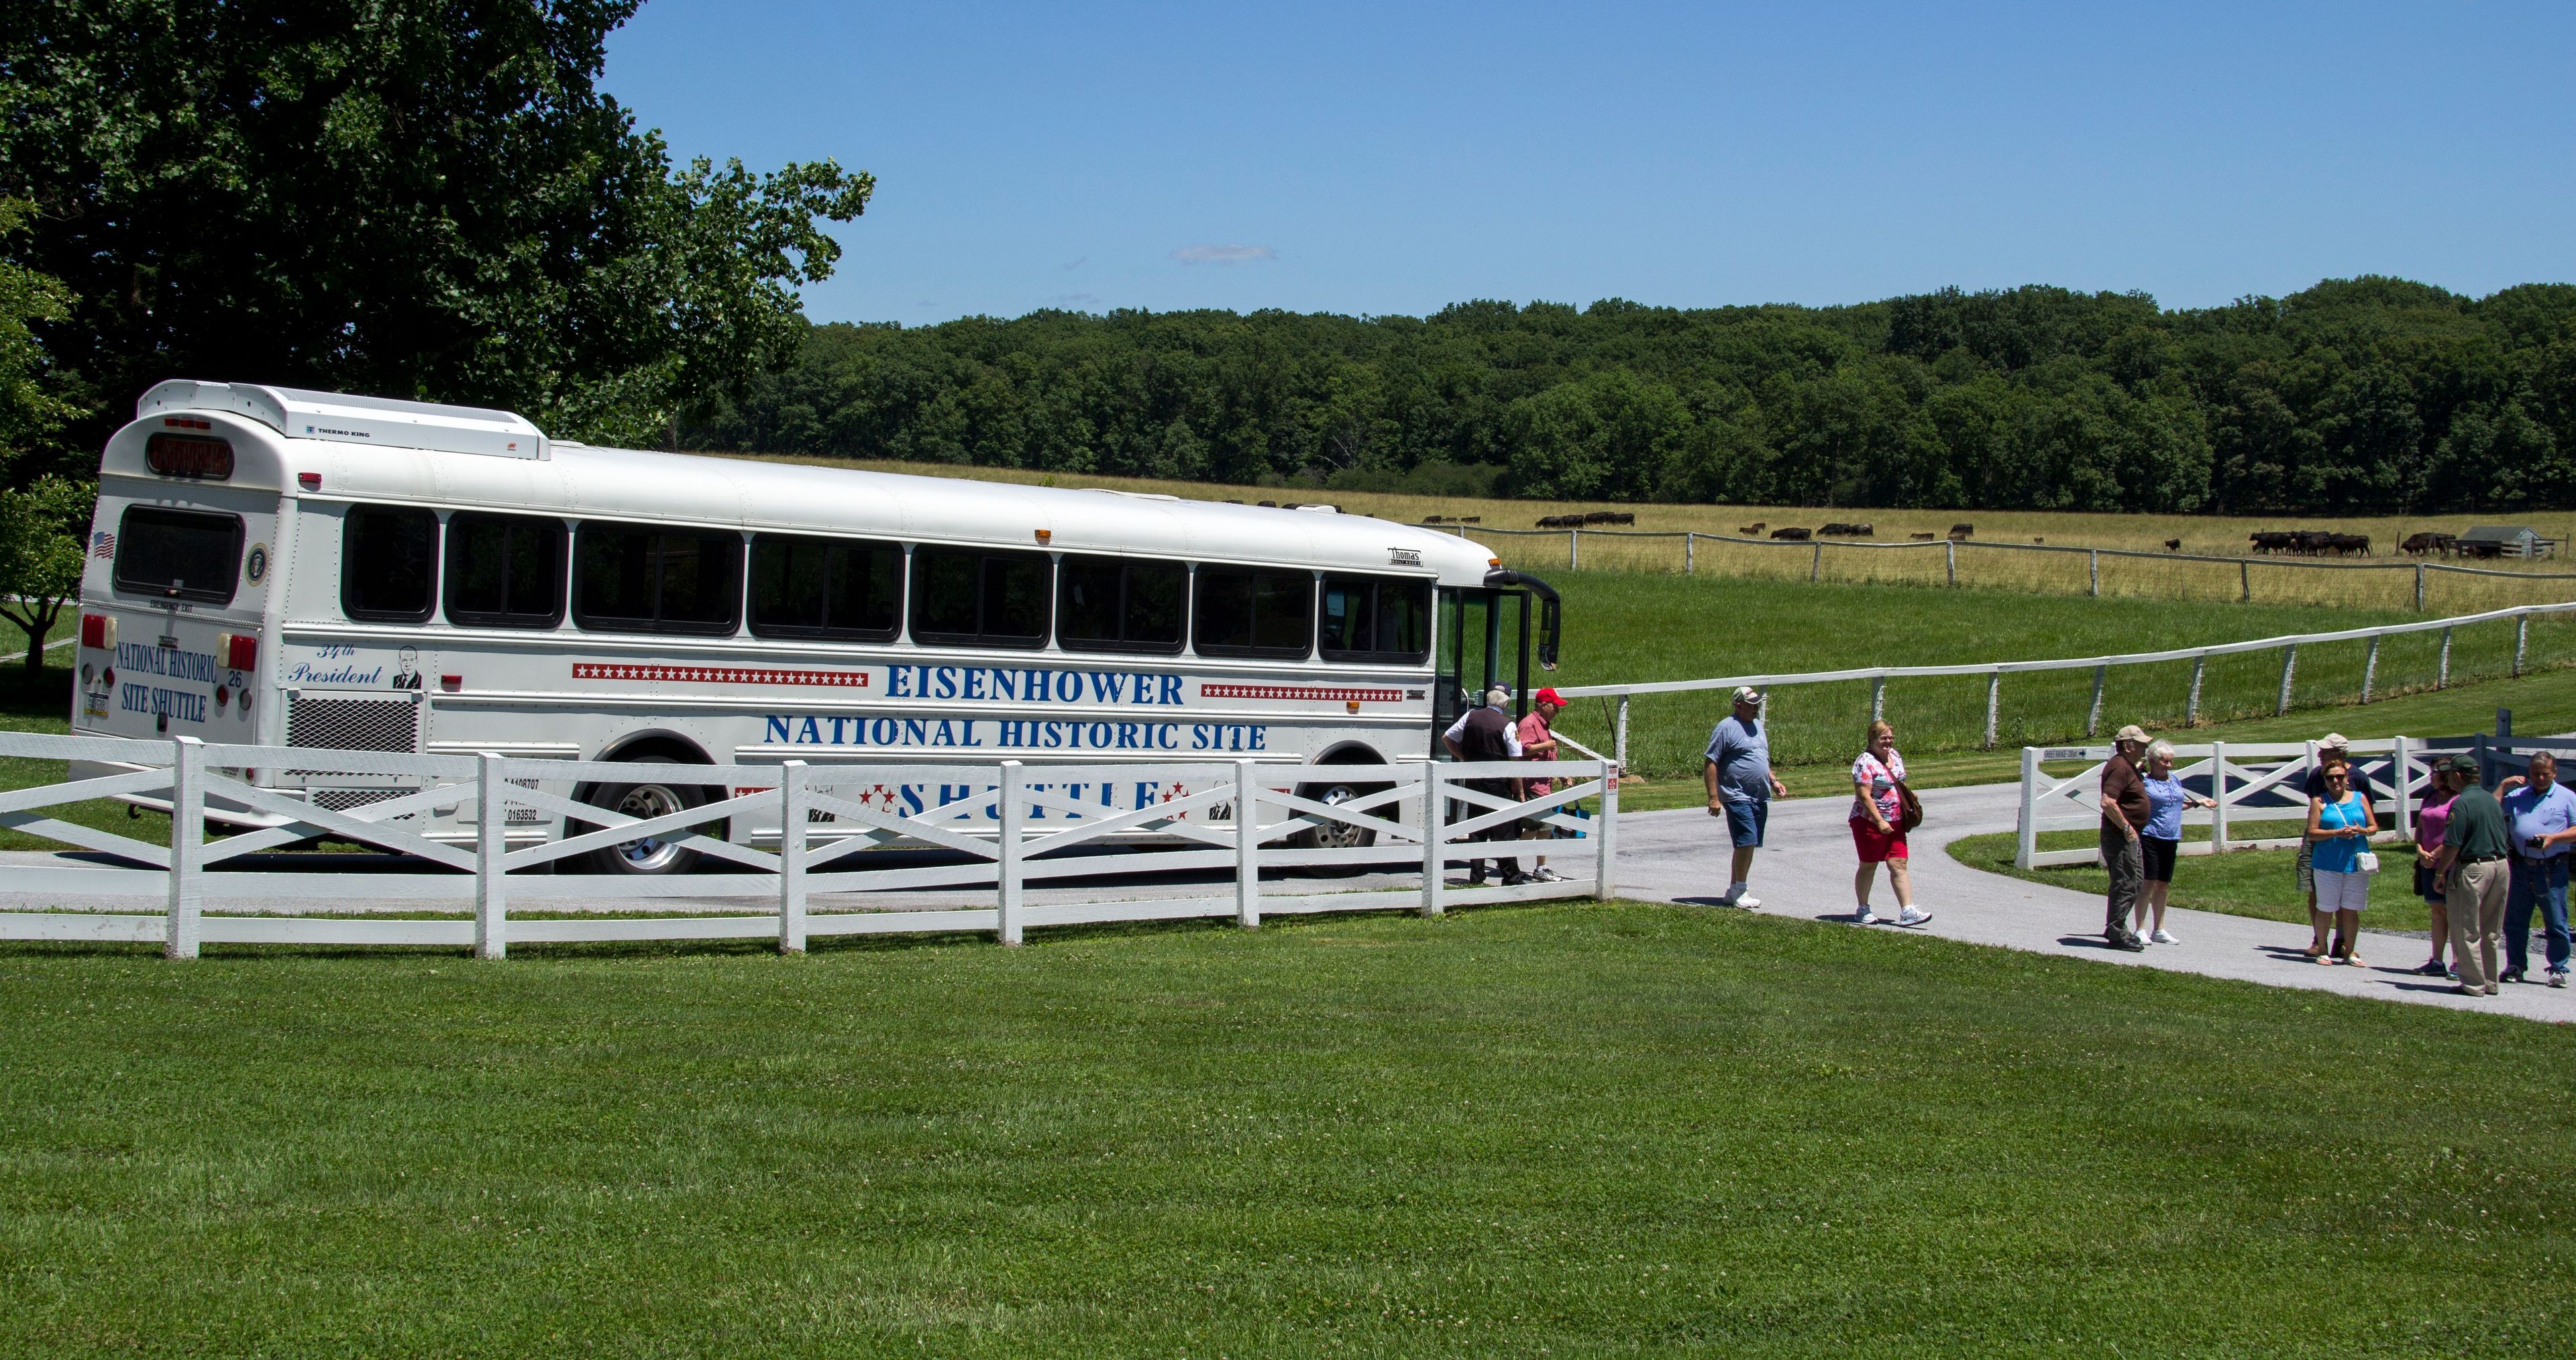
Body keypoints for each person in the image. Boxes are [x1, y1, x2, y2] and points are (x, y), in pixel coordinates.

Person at [2432, 753, 2511, 996]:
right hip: (2500, 866)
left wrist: (2440, 873)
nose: (2446, 778)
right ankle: (2489, 982)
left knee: (2466, 928)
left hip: (2474, 868)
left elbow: (2453, 844)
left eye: (2449, 774)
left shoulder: (2461, 803)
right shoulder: (2490, 799)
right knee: (2490, 930)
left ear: (2457, 776)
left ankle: (2473, 984)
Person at [1704, 686, 1788, 908]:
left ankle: (1734, 890)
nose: (1756, 708)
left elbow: (1761, 757)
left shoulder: (1758, 726)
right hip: (1736, 794)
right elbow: (1711, 762)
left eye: (1757, 704)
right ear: (1738, 705)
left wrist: (1773, 780)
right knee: (1746, 841)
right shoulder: (1726, 728)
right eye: (1751, 705)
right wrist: (1714, 797)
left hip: (1760, 795)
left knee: (1749, 844)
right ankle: (1740, 889)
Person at [2500, 750, 2576, 987]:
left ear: (2554, 773)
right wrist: (2502, 787)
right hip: (2521, 866)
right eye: (2535, 774)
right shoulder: (2518, 795)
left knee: (2556, 920)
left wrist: (2554, 839)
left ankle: (2558, 968)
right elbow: (2491, 811)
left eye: (2544, 774)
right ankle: (2515, 965)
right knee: (2515, 920)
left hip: (2552, 867)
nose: (2540, 778)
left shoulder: (2567, 797)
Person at [2297, 733, 2378, 948]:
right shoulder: (2317, 774)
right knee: (2316, 889)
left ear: (2340, 754)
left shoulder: (2359, 777)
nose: (2321, 754)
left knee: (2346, 895)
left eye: (2326, 751)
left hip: (2350, 845)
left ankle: (2342, 940)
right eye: (2321, 750)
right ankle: (2318, 939)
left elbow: (2368, 812)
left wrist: (2360, 830)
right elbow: (2315, 806)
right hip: (2318, 839)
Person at [2133, 740, 2215, 945]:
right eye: (2164, 761)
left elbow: (2176, 805)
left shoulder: (2174, 780)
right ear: (2152, 761)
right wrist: (2137, 769)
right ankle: (2140, 928)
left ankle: (2159, 929)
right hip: (2150, 836)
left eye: (2171, 761)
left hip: (2171, 837)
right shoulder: (2145, 782)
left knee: (2163, 885)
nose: (2169, 765)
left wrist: (2198, 803)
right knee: (2148, 883)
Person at [1442, 686, 1527, 886]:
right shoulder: (1508, 725)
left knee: (1477, 831)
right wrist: (1520, 790)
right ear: (1505, 704)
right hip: (1498, 785)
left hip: (1474, 782)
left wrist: (1464, 758)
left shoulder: (1470, 717)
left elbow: (1447, 738)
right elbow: (1516, 760)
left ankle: (1477, 877)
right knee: (1503, 832)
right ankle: (1511, 877)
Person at [1849, 719, 1931, 927]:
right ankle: (1863, 909)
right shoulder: (1865, 762)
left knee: (1899, 863)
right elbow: (1863, 795)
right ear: (1872, 739)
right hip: (1869, 821)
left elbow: (1899, 782)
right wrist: (1879, 821)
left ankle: (1908, 911)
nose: (1888, 742)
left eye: (1890, 738)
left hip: (1896, 821)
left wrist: (1908, 796)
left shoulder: (1894, 756)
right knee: (1869, 865)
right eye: (1883, 738)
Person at [2096, 724, 2152, 952]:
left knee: (2134, 882)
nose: (2144, 747)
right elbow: (2108, 801)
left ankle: (2114, 928)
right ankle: (2117, 933)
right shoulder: (2119, 767)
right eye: (2140, 744)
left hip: (2129, 835)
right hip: (2121, 835)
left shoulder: (2127, 766)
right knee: (2126, 883)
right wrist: (2127, 829)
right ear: (2128, 746)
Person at [2411, 764, 2461, 978]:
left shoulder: (2458, 800)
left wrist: (2437, 854)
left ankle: (2459, 962)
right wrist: (2421, 851)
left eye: (2434, 773)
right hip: (2428, 864)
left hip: (2450, 865)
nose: (2430, 776)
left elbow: (2457, 833)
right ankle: (2437, 961)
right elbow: (2420, 828)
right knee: (2437, 912)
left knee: (2456, 914)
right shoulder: (2430, 797)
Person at [1515, 687, 1568, 883]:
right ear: (1543, 705)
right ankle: (1519, 862)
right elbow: (1523, 750)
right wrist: (1547, 745)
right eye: (1555, 706)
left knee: (1540, 828)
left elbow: (1548, 756)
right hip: (1533, 785)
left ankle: (1523, 863)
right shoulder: (1529, 724)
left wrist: (1561, 775)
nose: (1557, 710)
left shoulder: (1544, 725)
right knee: (1540, 827)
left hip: (1544, 785)